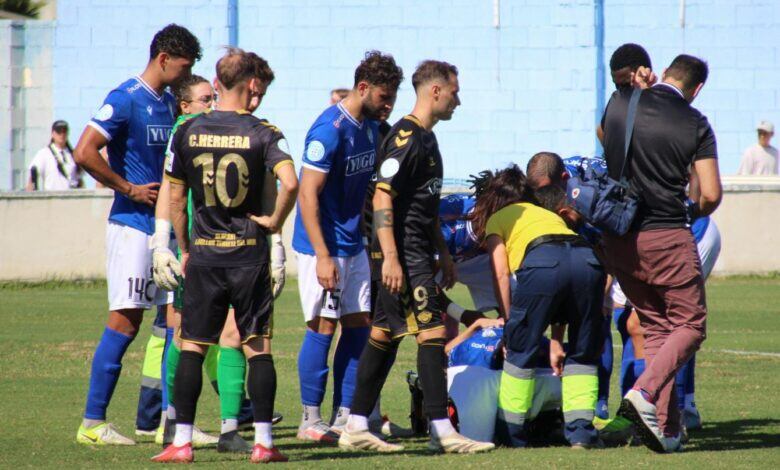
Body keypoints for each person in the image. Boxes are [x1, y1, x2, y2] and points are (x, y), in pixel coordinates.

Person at [339, 60, 494, 454]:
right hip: (403, 254)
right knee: (430, 334)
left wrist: (443, 252)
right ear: (436, 91)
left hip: (418, 251)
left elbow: (421, 204)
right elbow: (382, 196)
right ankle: (442, 431)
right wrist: (390, 257)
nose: (458, 100)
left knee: (384, 335)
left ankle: (356, 423)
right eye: (455, 92)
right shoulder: (406, 137)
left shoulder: (428, 139)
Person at [152, 47, 298, 464]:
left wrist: (182, 245)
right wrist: (272, 222)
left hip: (205, 257)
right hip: (249, 256)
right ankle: (265, 444)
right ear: (251, 84)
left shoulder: (188, 130)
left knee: (193, 346)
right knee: (258, 348)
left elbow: (176, 196)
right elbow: (289, 182)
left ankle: (180, 442)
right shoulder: (265, 132)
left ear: (217, 83)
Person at [73, 24, 201, 446]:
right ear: (163, 59)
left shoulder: (167, 103)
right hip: (131, 228)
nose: (186, 75)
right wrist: (127, 188)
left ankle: (173, 422)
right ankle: (93, 423)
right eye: (183, 67)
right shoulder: (125, 98)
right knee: (125, 322)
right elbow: (84, 150)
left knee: (175, 324)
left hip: (165, 232)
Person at [601, 54, 722, 453]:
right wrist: (692, 210)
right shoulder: (696, 122)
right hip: (667, 234)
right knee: (691, 325)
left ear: (663, 73)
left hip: (620, 238)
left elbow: (607, 136)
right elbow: (711, 193)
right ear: (697, 88)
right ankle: (644, 392)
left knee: (657, 328)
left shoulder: (621, 103)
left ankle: (666, 430)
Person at [292, 51, 403, 443]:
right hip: (322, 247)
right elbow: (307, 195)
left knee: (359, 325)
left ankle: (346, 415)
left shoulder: (372, 127)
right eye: (384, 97)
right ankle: (310, 419)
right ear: (363, 87)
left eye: (393, 97)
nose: (388, 105)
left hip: (353, 243)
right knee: (323, 325)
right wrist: (323, 255)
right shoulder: (329, 130)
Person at [147, 73, 261, 452]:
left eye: (213, 98)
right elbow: (170, 189)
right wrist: (163, 244)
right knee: (185, 335)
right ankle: (175, 422)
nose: (210, 105)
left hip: (222, 249)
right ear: (184, 106)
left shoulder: (223, 127)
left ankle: (228, 428)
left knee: (226, 334)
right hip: (195, 249)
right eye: (203, 99)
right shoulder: (186, 128)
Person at [479, 165, 604, 449]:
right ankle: (582, 432)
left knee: (521, 349)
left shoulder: (498, 218)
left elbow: (500, 273)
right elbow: (565, 276)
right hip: (587, 261)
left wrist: (511, 324)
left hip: (543, 259)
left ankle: (511, 434)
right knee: (583, 353)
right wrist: (557, 341)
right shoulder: (548, 214)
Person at [26, 120, 83, 191]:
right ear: (53, 134)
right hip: (52, 197)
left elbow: (79, 179)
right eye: (59, 132)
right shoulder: (44, 153)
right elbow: (32, 176)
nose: (62, 135)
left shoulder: (73, 154)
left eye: (64, 132)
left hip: (71, 197)